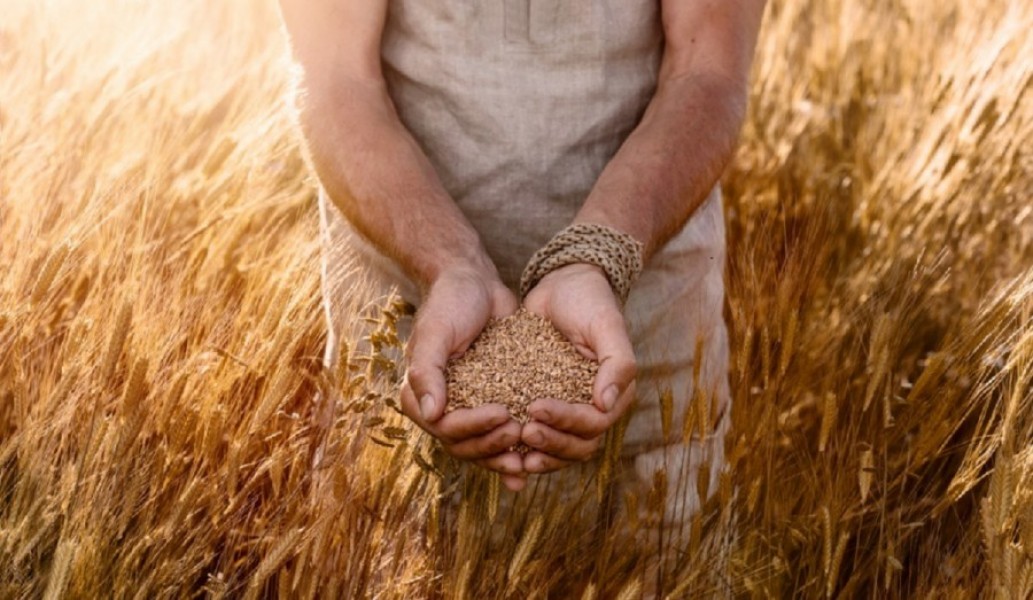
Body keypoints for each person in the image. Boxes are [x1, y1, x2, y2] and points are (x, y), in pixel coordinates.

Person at [279, 0, 764, 549]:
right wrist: (449, 264)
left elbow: (707, 73)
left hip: (649, 356)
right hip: (404, 352)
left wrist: (597, 256)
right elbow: (336, 79)